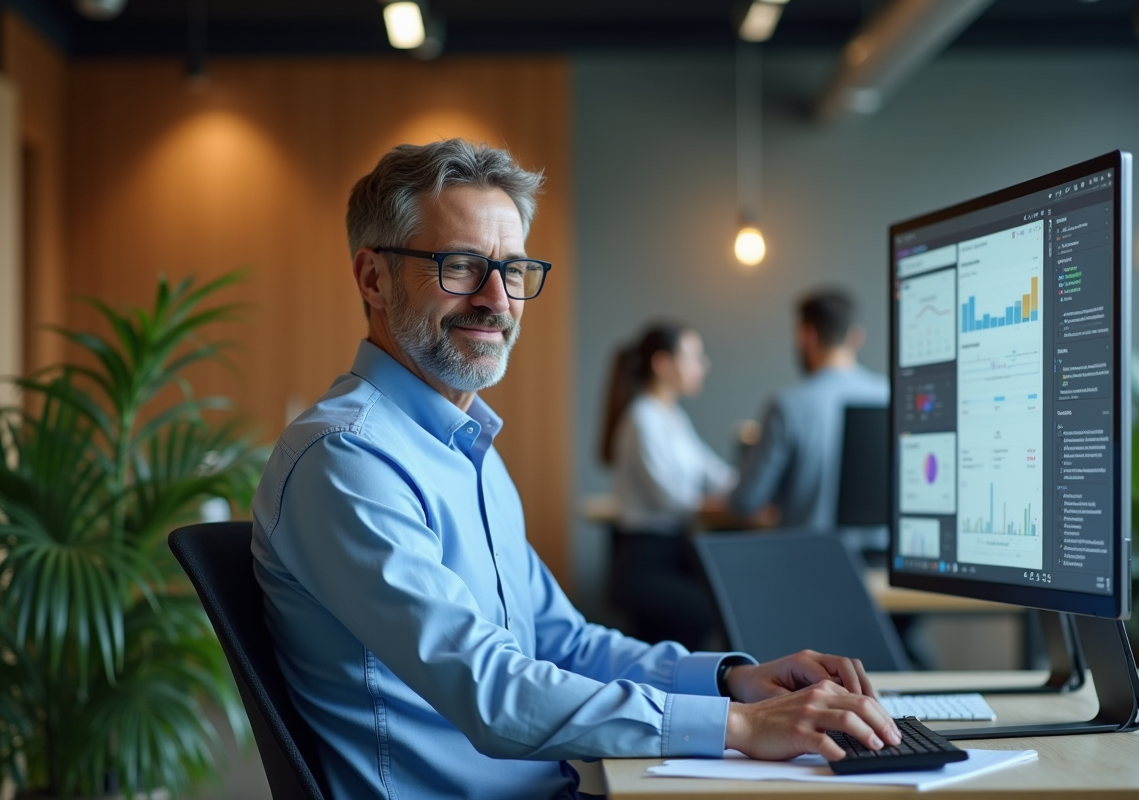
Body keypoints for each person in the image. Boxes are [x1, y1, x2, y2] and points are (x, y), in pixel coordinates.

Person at [250, 140, 899, 800]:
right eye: (461, 266)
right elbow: (492, 693)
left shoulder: (469, 447)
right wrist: (739, 726)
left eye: (513, 270)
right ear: (373, 279)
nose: (497, 299)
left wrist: (731, 682)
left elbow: (565, 643)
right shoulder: (346, 457)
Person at [598, 322, 735, 650]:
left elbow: (715, 472)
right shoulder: (642, 418)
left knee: (717, 610)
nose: (703, 365)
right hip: (646, 561)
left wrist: (750, 490)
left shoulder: (673, 417)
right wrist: (725, 504)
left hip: (674, 553)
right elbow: (671, 499)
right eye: (694, 357)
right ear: (662, 364)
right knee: (710, 612)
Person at [730, 289, 889, 530]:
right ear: (856, 337)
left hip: (808, 551)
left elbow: (745, 501)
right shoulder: (888, 396)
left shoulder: (787, 406)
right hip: (884, 553)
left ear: (807, 336)